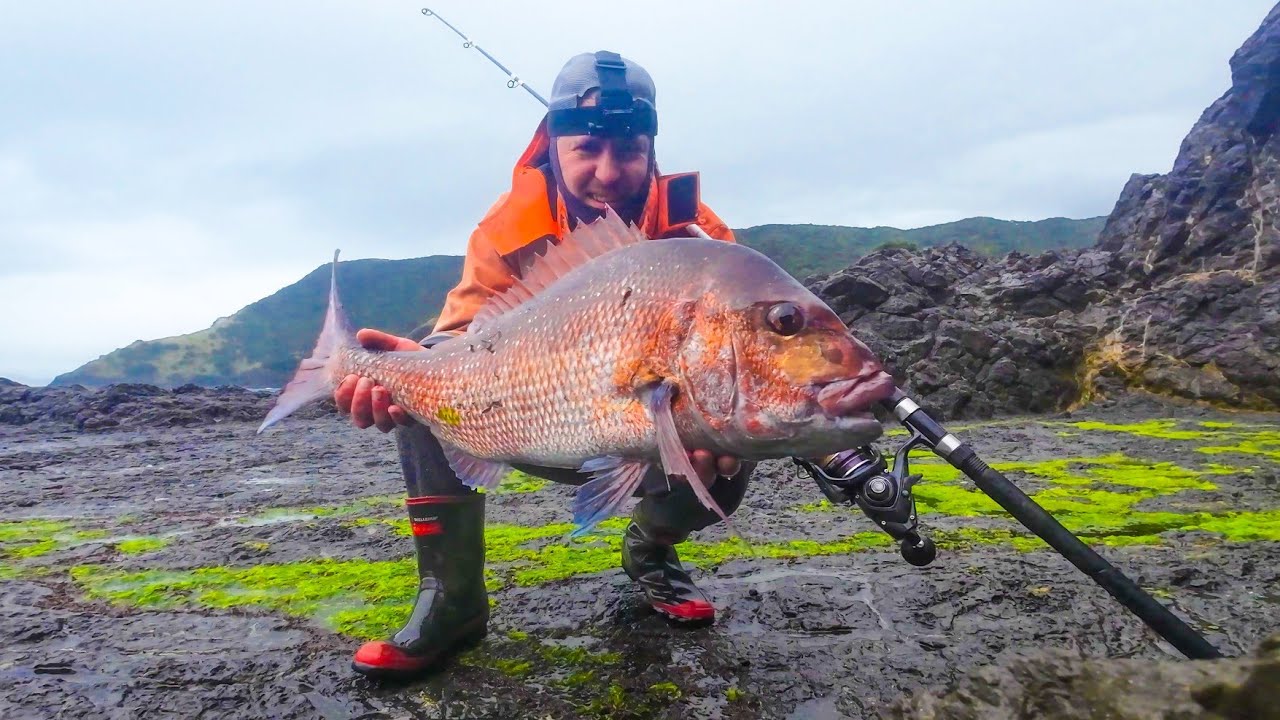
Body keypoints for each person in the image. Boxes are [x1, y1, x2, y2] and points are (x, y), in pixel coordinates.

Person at [336, 51, 754, 680]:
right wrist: (410, 371)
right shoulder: (506, 229)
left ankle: (650, 551)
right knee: (428, 379)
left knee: (734, 449)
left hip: (648, 427)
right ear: (551, 145)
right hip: (529, 415)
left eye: (629, 151)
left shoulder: (698, 238)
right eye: (586, 149)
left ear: (652, 152)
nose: (608, 173)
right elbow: (458, 331)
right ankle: (451, 600)